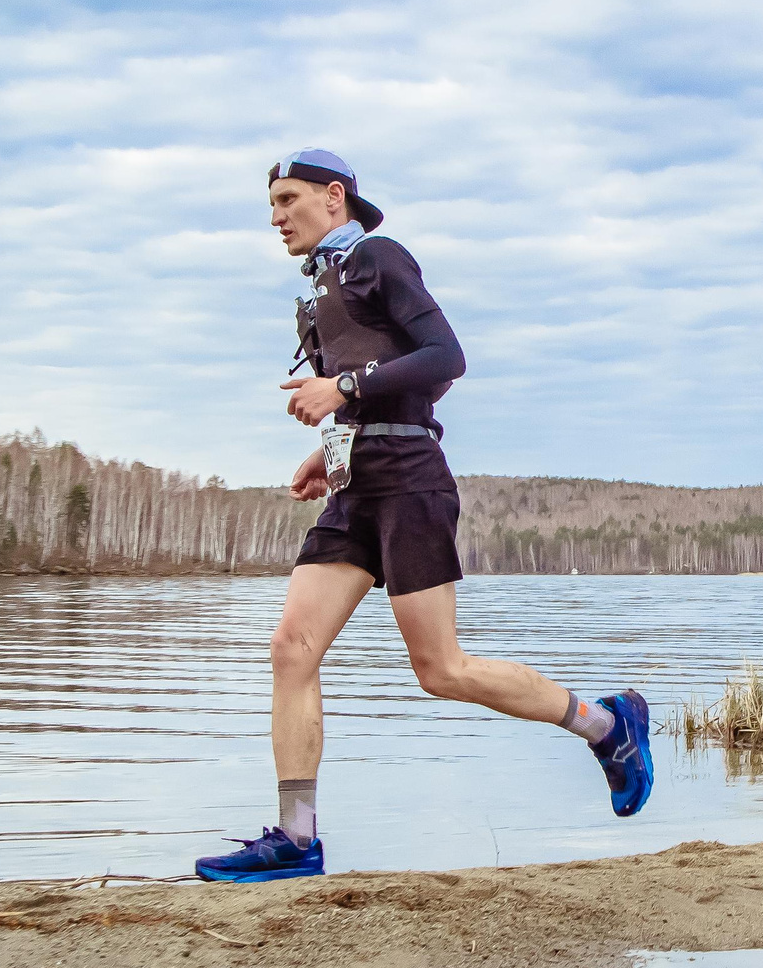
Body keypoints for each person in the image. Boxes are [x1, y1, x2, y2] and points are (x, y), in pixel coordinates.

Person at [194, 150, 654, 882]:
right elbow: (381, 389)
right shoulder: (321, 289)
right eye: (271, 207)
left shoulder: (378, 257)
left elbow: (446, 357)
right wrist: (332, 448)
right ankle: (296, 838)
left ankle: (608, 725)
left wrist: (342, 387)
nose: (277, 218)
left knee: (440, 670)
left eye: (288, 200)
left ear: (334, 197)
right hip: (358, 487)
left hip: (411, 482)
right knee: (291, 647)